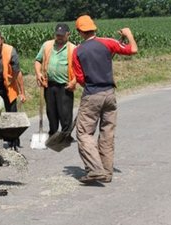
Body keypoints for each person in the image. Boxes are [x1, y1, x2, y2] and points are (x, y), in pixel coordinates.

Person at [72, 15, 138, 183]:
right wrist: (129, 34)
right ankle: (107, 173)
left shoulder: (78, 51)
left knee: (84, 133)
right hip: (110, 94)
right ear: (94, 28)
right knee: (107, 134)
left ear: (79, 31)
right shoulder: (108, 43)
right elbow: (132, 50)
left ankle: (95, 169)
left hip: (92, 94)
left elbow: (80, 78)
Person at [34, 23, 76, 140]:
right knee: (51, 111)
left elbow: (80, 68)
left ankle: (66, 134)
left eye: (62, 35)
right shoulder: (47, 45)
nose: (59, 37)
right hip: (49, 83)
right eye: (57, 35)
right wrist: (38, 73)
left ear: (68, 34)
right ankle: (53, 132)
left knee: (65, 112)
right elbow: (38, 60)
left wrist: (74, 81)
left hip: (65, 85)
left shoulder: (73, 48)